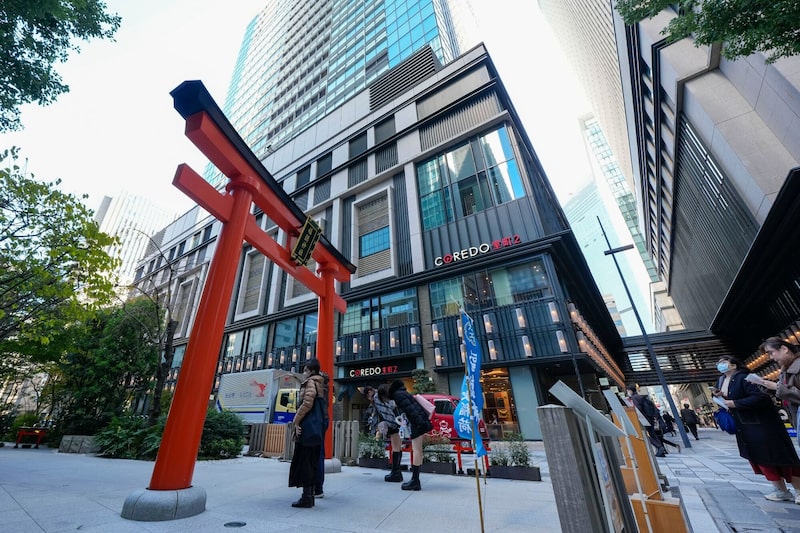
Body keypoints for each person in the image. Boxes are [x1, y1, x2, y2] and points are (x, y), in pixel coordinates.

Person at [711, 354, 800, 503]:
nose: (720, 365)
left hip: (763, 424)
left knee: (780, 456)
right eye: (718, 363)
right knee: (761, 458)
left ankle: (798, 489)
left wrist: (736, 403)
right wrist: (719, 396)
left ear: (734, 365)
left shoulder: (745, 377)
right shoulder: (721, 381)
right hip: (743, 425)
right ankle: (780, 490)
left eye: (724, 362)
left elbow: (761, 397)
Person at [288, 359, 326, 508]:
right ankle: (309, 495)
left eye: (305, 370)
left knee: (304, 460)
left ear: (310, 370)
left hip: (308, 427)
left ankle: (307, 496)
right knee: (311, 461)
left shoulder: (311, 382)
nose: (304, 373)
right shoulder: (320, 382)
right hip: (316, 428)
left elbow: (307, 402)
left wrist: (296, 420)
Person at [385, 380, 433, 490]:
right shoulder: (403, 393)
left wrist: (419, 425)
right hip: (420, 422)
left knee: (416, 450)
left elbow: (411, 411)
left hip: (417, 424)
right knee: (418, 450)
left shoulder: (398, 396)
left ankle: (415, 481)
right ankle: (415, 480)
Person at [756, 337, 800, 446]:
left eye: (771, 353)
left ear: (784, 349)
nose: (771, 358)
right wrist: (766, 385)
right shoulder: (784, 371)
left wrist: (777, 387)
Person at [626, 384, 668, 457]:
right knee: (652, 434)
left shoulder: (634, 398)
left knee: (645, 435)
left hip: (643, 419)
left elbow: (638, 409)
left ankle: (659, 447)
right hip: (649, 418)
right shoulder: (641, 397)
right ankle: (661, 449)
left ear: (630, 390)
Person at [374, 383, 402, 482]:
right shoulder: (395, 396)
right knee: (398, 446)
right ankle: (397, 472)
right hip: (400, 422)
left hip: (393, 423)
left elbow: (386, 412)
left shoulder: (378, 398)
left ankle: (395, 472)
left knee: (395, 447)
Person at [314, 370, 331, 499]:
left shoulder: (315, 385)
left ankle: (315, 487)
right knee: (320, 453)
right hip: (324, 419)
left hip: (316, 420)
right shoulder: (325, 387)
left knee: (314, 453)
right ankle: (318, 487)